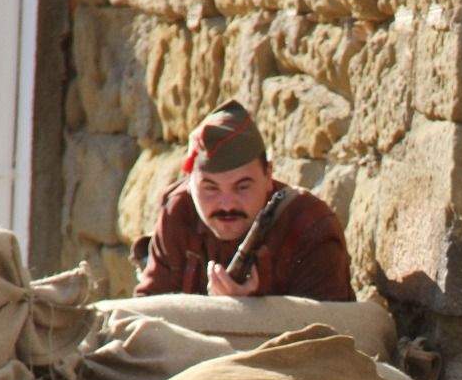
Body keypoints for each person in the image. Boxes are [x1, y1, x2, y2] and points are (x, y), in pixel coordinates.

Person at [132, 99, 355, 301]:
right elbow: (148, 308)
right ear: (190, 183)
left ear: (268, 175)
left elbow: (329, 325)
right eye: (210, 188)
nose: (227, 204)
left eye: (242, 187)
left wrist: (251, 310)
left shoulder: (309, 225)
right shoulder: (178, 212)